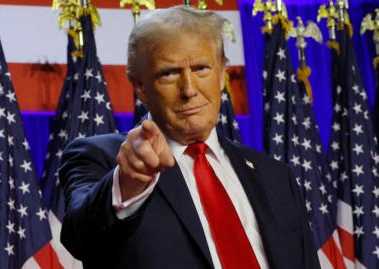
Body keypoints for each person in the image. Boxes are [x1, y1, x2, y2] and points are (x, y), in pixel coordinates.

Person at [59, 5, 319, 269]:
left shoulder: (275, 176)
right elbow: (79, 237)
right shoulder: (103, 159)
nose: (189, 89)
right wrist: (128, 184)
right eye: (169, 73)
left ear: (221, 75)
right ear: (141, 87)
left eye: (201, 68)